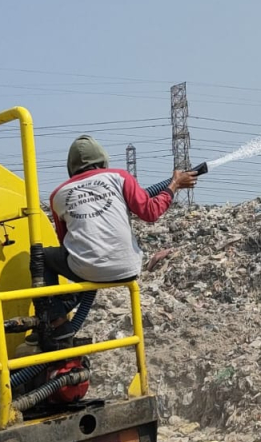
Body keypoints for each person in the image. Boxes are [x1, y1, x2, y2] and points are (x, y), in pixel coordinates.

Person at [30, 135, 196, 345]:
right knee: (83, 265)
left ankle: (55, 321)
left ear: (71, 167)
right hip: (127, 268)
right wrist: (174, 185)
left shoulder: (58, 194)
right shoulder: (120, 177)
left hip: (85, 270)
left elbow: (66, 242)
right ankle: (61, 315)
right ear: (102, 159)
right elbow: (151, 212)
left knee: (41, 257)